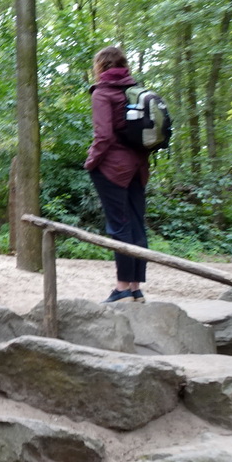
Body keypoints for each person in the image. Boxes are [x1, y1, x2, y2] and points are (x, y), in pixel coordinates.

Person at [84, 45, 151, 304]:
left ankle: (122, 288)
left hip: (113, 168)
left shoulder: (102, 93)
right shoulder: (134, 90)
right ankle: (135, 288)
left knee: (119, 225)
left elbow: (104, 136)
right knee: (136, 224)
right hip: (139, 166)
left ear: (100, 67)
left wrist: (91, 162)